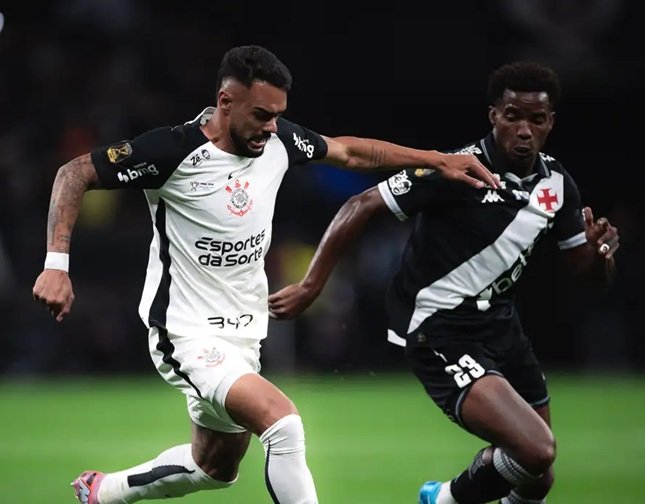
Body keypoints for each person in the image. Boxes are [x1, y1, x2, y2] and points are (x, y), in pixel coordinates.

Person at [31, 45, 496, 504]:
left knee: (214, 467)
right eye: (260, 115)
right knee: (283, 422)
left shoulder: (277, 141)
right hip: (186, 331)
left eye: (277, 115)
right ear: (225, 101)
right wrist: (56, 265)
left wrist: (437, 159)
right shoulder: (172, 151)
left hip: (243, 333)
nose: (271, 127)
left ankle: (102, 492)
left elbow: (350, 153)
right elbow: (74, 174)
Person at [268, 61, 620, 504]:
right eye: (513, 116)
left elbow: (588, 276)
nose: (524, 130)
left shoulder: (557, 185)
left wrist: (601, 256)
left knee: (538, 476)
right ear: (494, 116)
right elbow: (361, 204)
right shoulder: (457, 169)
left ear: (551, 122)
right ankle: (444, 499)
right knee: (535, 450)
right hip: (439, 327)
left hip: (502, 327)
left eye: (536, 119)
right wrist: (311, 285)